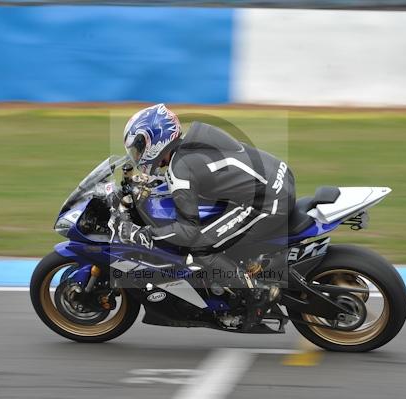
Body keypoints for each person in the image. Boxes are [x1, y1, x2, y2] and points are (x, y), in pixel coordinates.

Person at [117, 103, 296, 331]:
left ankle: (255, 295)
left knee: (200, 246)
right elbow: (202, 176)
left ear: (155, 140)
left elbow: (188, 231)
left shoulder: (180, 168)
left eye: (139, 148)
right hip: (279, 176)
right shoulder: (193, 140)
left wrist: (144, 235)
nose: (138, 156)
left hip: (269, 203)